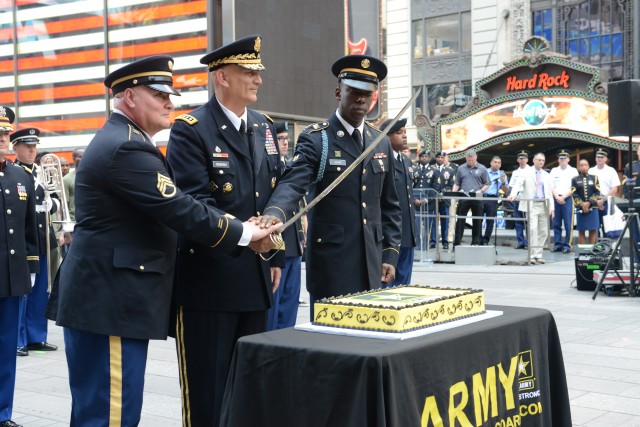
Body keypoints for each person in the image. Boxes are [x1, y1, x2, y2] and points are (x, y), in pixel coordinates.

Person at [53, 55, 279, 426]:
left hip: (111, 301)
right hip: (110, 301)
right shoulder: (126, 147)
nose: (169, 103)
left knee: (112, 411)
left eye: (170, 95)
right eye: (159, 95)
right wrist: (246, 233)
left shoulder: (127, 141)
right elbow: (180, 208)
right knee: (110, 415)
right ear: (129, 97)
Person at [166, 36, 285, 427]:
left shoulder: (263, 127)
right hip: (210, 281)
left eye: (258, 73)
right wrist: (248, 236)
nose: (257, 80)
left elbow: (271, 195)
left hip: (254, 278)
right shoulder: (192, 129)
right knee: (208, 392)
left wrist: (274, 253)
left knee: (251, 387)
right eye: (248, 72)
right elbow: (193, 204)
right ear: (222, 77)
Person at [257, 54, 401, 310]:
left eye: (367, 93)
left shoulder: (380, 142)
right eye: (353, 91)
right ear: (338, 92)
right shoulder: (317, 139)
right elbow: (293, 183)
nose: (361, 99)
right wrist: (274, 212)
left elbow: (390, 204)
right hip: (332, 267)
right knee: (332, 345)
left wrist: (390, 252)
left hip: (372, 264)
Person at [0, 106, 39, 427]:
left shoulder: (18, 176)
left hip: (11, 279)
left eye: (4, 135)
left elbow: (29, 231)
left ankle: (3, 413)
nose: (3, 139)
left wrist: (30, 266)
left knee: (5, 351)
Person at [12, 128, 60, 357]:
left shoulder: (41, 172)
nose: (32, 150)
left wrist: (53, 203)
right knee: (23, 292)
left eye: (34, 146)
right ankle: (18, 338)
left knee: (42, 291)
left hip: (43, 240)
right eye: (26, 146)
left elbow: (56, 201)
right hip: (23, 242)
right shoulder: (12, 173)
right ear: (16, 148)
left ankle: (36, 337)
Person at [267, 121, 305, 330]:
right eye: (280, 139)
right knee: (274, 307)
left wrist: (302, 236)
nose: (284, 143)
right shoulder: (269, 167)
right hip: (277, 244)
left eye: (286, 139)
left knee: (290, 305)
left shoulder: (291, 167)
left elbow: (299, 207)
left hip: (294, 244)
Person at [382, 118, 416, 286]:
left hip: (407, 233)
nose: (404, 136)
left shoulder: (407, 161)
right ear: (386, 137)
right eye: (398, 133)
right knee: (387, 286)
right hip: (390, 235)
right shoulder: (382, 161)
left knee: (405, 285)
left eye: (405, 132)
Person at [508, 152, 554, 265]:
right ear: (533, 160)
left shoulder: (547, 175)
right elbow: (518, 184)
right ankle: (532, 255)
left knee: (543, 231)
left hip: (544, 204)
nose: (541, 162)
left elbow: (549, 193)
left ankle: (538, 254)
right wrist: (513, 194)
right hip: (532, 204)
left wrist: (552, 208)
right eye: (538, 160)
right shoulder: (526, 172)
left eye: (543, 160)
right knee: (533, 229)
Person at [452, 149, 490, 246]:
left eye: (472, 160)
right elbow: (457, 183)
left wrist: (481, 191)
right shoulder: (461, 168)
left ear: (476, 158)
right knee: (460, 220)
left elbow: (487, 184)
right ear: (466, 159)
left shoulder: (482, 168)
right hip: (464, 197)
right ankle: (456, 243)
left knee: (477, 221)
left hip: (477, 197)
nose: (471, 162)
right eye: (469, 161)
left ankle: (475, 242)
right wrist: (453, 194)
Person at [550, 149, 578, 253]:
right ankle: (557, 244)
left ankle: (567, 245)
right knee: (556, 223)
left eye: (565, 158)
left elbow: (574, 187)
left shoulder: (573, 171)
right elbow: (551, 186)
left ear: (568, 159)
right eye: (561, 158)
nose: (563, 160)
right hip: (556, 198)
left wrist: (563, 197)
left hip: (568, 198)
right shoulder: (554, 170)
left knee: (568, 223)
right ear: (558, 160)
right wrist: (557, 197)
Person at [427, 150, 454, 249]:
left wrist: (441, 195)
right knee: (433, 220)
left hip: (445, 199)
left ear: (445, 159)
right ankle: (433, 241)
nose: (440, 159)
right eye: (438, 157)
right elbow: (429, 185)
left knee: (445, 221)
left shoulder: (450, 170)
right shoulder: (431, 169)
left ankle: (445, 241)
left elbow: (451, 185)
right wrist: (435, 195)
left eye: (442, 157)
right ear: (435, 158)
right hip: (433, 200)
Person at [589, 147, 620, 233]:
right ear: (595, 158)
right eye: (597, 157)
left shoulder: (611, 170)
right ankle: (596, 246)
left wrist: (603, 200)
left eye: (601, 157)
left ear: (606, 158)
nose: (599, 159)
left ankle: (607, 246)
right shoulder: (591, 171)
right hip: (594, 202)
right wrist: (596, 200)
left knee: (607, 228)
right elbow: (588, 188)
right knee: (594, 228)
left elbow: (614, 189)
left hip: (607, 202)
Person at [571, 159, 600, 244]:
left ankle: (591, 250)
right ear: (578, 167)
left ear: (588, 167)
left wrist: (589, 202)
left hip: (593, 207)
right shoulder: (574, 179)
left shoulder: (594, 178)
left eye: (585, 165)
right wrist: (582, 204)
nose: (583, 167)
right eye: (581, 165)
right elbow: (574, 193)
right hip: (581, 208)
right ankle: (581, 251)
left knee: (593, 229)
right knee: (581, 229)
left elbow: (597, 192)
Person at [482, 156, 509, 245]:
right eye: (495, 162)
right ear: (491, 163)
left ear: (500, 165)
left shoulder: (502, 175)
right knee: (478, 219)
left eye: (499, 162)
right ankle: (477, 239)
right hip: (481, 197)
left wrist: (503, 182)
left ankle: (486, 240)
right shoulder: (484, 171)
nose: (496, 164)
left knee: (490, 221)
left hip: (493, 199)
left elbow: (505, 190)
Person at [508, 150, 531, 249]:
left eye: (524, 158)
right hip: (517, 199)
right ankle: (520, 242)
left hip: (527, 199)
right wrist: (515, 195)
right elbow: (512, 186)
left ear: (527, 159)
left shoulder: (531, 170)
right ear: (517, 160)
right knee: (518, 221)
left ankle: (528, 242)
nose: (522, 160)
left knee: (528, 221)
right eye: (520, 158)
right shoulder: (515, 172)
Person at [413, 149, 432, 250]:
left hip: (428, 203)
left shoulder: (434, 171)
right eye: (422, 156)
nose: (424, 158)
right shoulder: (414, 169)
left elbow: (435, 188)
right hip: (415, 202)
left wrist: (425, 200)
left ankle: (425, 245)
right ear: (419, 158)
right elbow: (410, 185)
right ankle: (417, 245)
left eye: (426, 156)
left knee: (427, 226)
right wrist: (414, 199)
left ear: (429, 158)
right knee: (416, 226)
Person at [62, 147, 84, 222]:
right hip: (74, 223)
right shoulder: (66, 179)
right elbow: (64, 206)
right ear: (74, 159)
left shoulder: (92, 176)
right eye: (81, 157)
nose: (84, 158)